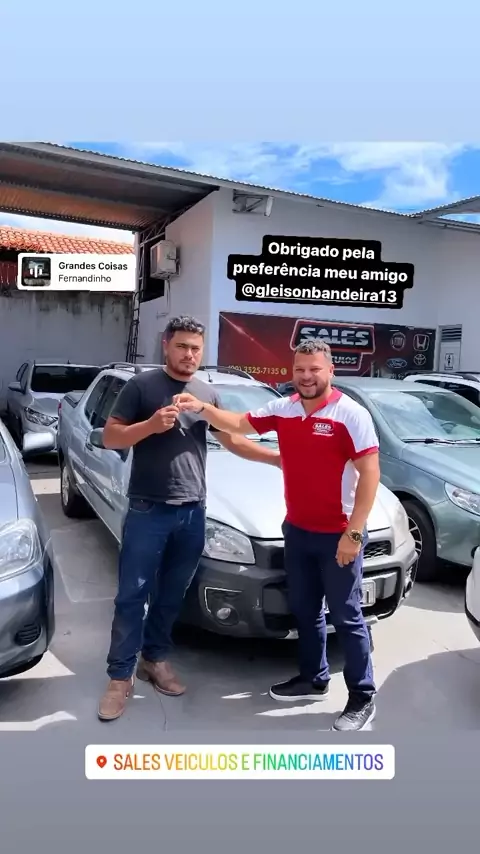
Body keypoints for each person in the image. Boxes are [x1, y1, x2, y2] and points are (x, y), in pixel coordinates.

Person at [174, 339, 381, 732]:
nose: (306, 376)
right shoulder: (284, 409)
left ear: (330, 370)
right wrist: (201, 408)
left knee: (347, 617)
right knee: (305, 610)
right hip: (297, 531)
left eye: (314, 369)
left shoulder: (351, 414)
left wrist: (353, 534)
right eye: (300, 369)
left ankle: (362, 696)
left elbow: (370, 474)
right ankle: (313, 678)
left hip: (337, 533)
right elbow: (238, 423)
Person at [97, 315, 281, 722]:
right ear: (166, 345)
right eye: (181, 346)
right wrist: (149, 425)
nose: (189, 354)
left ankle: (154, 658)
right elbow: (110, 437)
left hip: (194, 511)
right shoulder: (141, 387)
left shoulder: (205, 393)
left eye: (195, 348)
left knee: (172, 594)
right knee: (132, 596)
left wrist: (276, 459)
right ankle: (119, 676)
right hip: (148, 509)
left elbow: (231, 440)